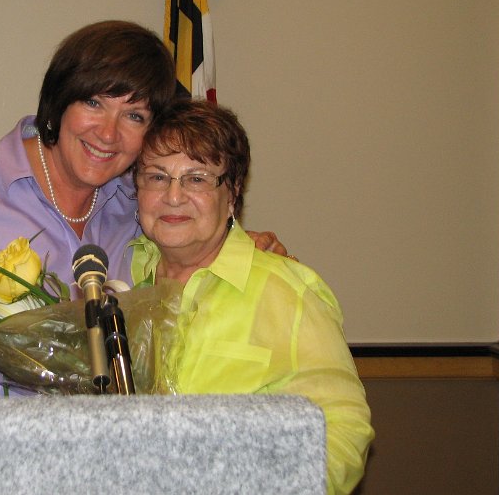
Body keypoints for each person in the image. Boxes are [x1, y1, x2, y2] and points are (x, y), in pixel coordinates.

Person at [0, 20, 288, 399]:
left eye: (134, 116)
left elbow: (191, 239)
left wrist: (237, 244)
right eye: (94, 103)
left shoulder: (135, 208)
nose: (108, 133)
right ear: (60, 99)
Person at [128, 98, 374, 495]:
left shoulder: (285, 291)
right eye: (156, 177)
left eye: (197, 178)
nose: (173, 196)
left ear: (233, 192)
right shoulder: (119, 278)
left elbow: (341, 429)